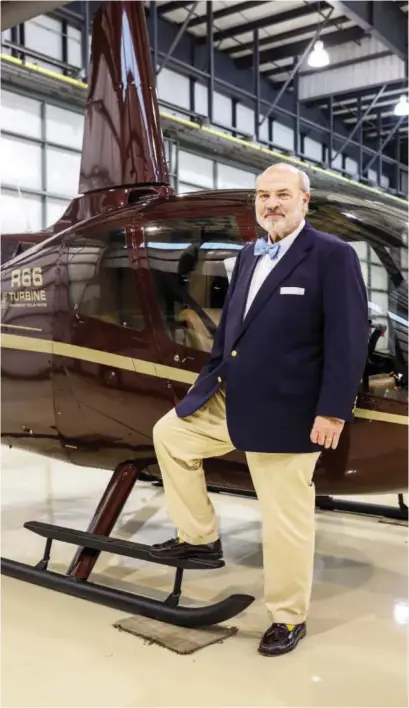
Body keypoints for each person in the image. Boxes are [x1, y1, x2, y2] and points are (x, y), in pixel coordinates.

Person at [149, 163, 369, 656]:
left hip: (291, 411)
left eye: (282, 194)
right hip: (232, 395)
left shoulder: (332, 256)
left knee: (284, 520)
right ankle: (200, 536)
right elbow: (234, 328)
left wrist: (332, 411)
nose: (271, 203)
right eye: (263, 195)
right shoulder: (249, 253)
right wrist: (208, 380)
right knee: (170, 434)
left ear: (304, 201)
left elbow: (348, 339)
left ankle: (288, 618)